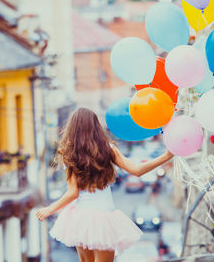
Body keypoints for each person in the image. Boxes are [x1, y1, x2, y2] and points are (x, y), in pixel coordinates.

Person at [36, 108, 174, 262]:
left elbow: (72, 192)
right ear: (96, 127)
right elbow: (137, 170)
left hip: (80, 217)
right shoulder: (108, 150)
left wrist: (50, 209)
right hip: (104, 216)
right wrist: (166, 156)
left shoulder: (70, 154)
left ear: (72, 129)